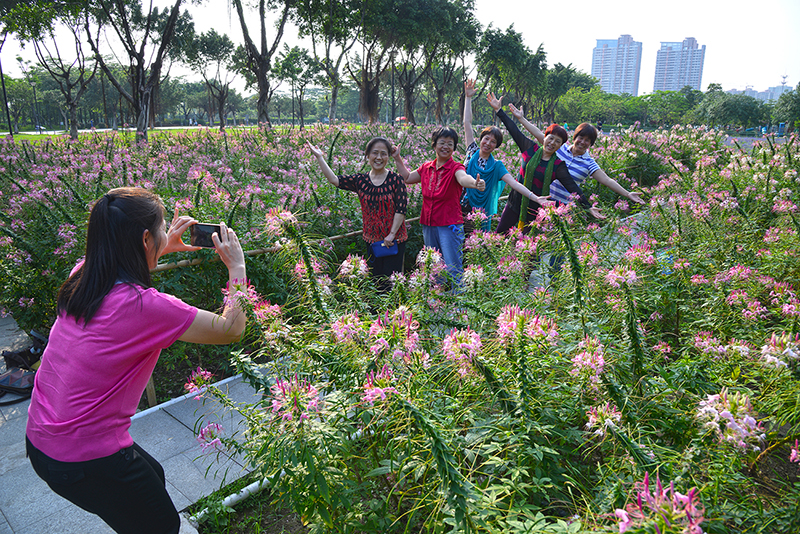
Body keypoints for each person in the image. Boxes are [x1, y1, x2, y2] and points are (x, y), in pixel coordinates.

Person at [26, 187, 247, 534]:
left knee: (153, 476)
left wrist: (163, 245)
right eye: (161, 230)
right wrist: (237, 267)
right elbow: (231, 329)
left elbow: (118, 261)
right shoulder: (145, 306)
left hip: (42, 438)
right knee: (162, 525)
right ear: (144, 239)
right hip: (82, 457)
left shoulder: (82, 275)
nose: (166, 234)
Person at [486, 93, 603, 235]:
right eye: (551, 138)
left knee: (528, 243)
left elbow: (573, 187)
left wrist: (588, 207)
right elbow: (513, 129)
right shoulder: (530, 149)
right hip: (515, 201)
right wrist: (499, 111)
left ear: (561, 146)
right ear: (545, 137)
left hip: (535, 207)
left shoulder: (558, 165)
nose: (552, 143)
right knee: (499, 235)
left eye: (558, 141)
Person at [308, 137, 408, 286]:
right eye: (375, 153)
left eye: (383, 154)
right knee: (375, 283)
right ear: (367, 155)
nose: (379, 157)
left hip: (394, 241)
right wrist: (320, 157)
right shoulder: (360, 180)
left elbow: (401, 209)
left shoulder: (396, 180)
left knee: (391, 284)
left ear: (388, 156)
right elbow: (335, 180)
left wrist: (392, 234)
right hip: (372, 241)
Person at [394, 126, 486, 287]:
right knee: (434, 265)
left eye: (450, 144)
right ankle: (437, 297)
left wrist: (475, 183)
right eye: (442, 142)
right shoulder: (426, 167)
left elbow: (463, 178)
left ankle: (458, 299)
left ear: (454, 147)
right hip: (429, 224)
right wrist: (397, 158)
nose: (445, 147)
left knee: (452, 266)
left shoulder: (456, 168)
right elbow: (407, 177)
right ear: (434, 145)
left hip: (449, 225)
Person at [507, 105, 645, 209]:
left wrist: (627, 194)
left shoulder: (588, 163)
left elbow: (607, 180)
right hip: (543, 201)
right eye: (581, 137)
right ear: (574, 137)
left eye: (587, 140)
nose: (583, 142)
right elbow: (538, 133)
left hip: (563, 207)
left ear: (591, 144)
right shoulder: (559, 147)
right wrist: (521, 118)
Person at [461, 79, 549, 232]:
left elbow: (514, 184)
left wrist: (536, 198)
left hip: (478, 214)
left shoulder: (496, 166)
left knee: (474, 243)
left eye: (493, 141)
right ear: (481, 138)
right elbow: (467, 123)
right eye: (486, 138)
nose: (488, 143)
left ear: (496, 145)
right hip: (457, 207)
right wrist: (468, 98)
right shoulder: (471, 150)